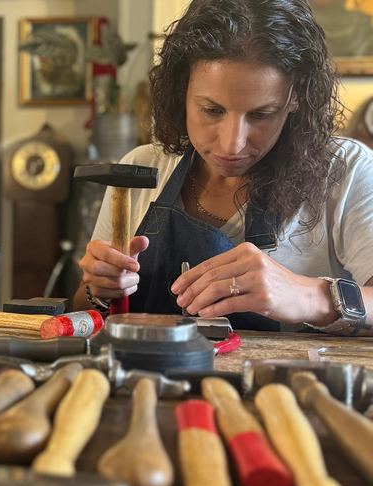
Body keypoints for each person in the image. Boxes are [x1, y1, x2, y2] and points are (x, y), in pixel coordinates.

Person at [74, 0, 373, 335]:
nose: (233, 145)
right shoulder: (139, 168)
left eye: (262, 114)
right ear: (181, 91)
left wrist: (310, 296)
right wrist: (97, 288)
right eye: (211, 110)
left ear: (295, 99)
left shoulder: (348, 171)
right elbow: (85, 311)